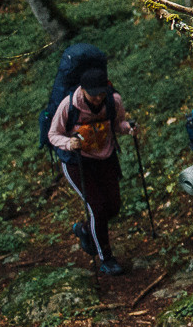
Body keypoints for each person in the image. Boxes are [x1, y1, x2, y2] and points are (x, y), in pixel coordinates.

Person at [48, 66, 137, 276]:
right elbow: (54, 134)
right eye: (93, 94)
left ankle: (84, 229)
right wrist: (69, 143)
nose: (97, 98)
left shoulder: (112, 101)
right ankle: (106, 258)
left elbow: (117, 124)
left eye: (101, 93)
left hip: (105, 157)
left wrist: (128, 128)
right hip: (77, 162)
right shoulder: (69, 105)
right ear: (83, 90)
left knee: (113, 207)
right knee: (97, 208)